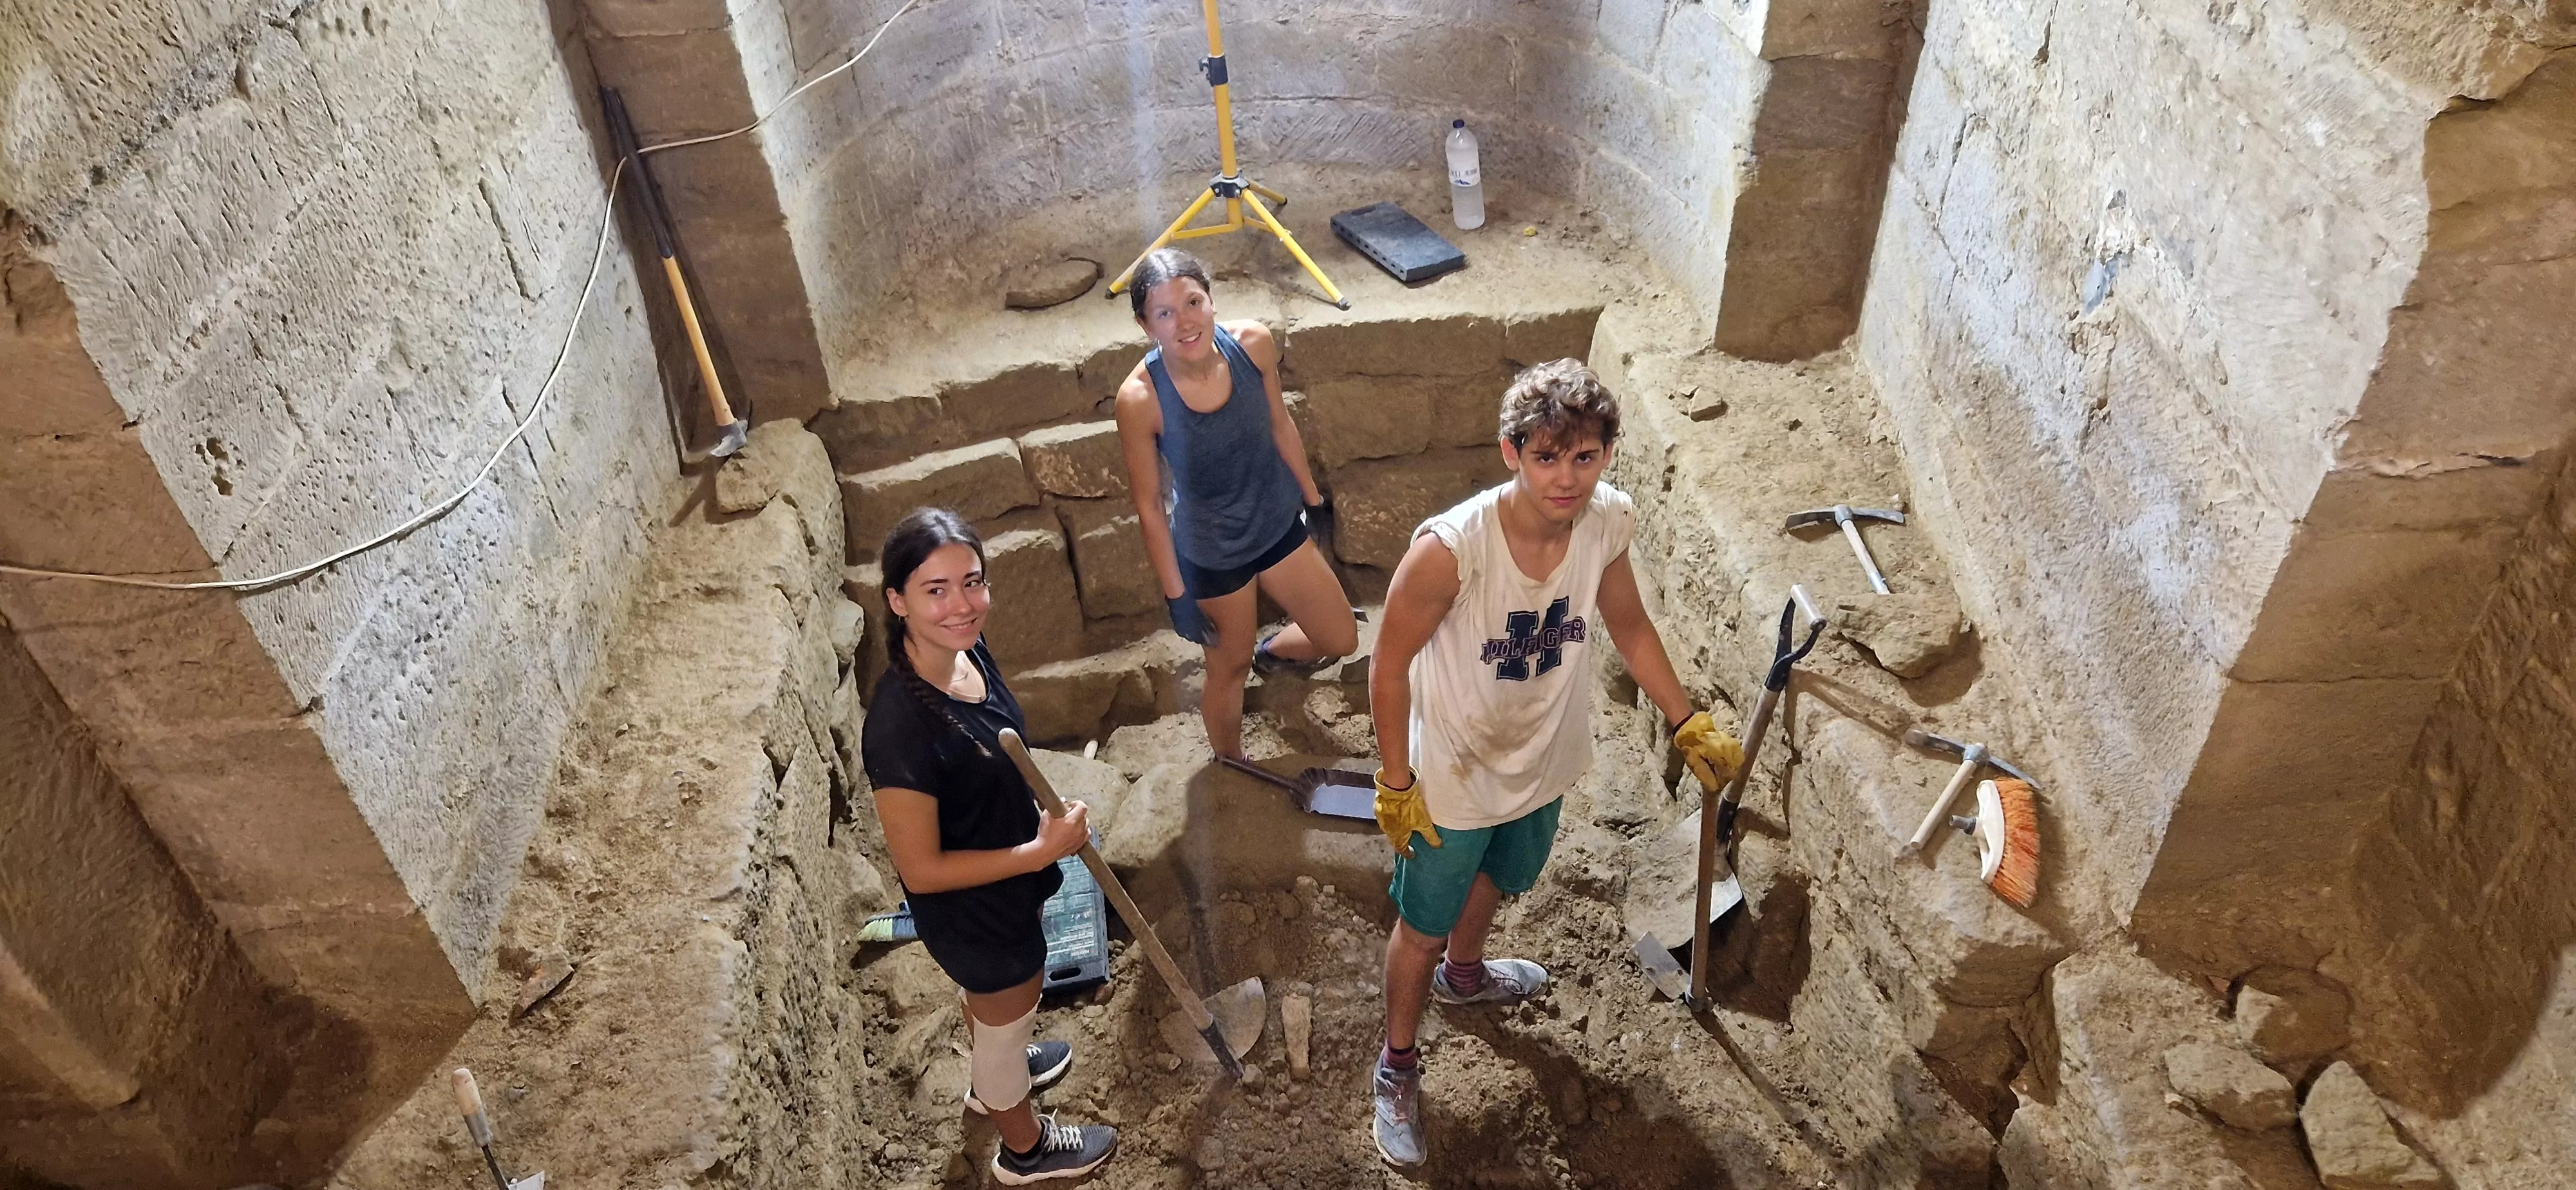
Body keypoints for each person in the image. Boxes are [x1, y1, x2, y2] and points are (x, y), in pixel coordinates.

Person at [1361, 360, 1745, 1167]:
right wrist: (1398, 782)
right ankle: (1397, 1065)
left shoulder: (1607, 523)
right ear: (1511, 453)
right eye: (1545, 457)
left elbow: (1631, 624)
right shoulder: (1451, 550)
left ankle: (1464, 979)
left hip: (1543, 758)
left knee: (1501, 879)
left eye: (1584, 456)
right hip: (1454, 779)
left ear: (1607, 454)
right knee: (1420, 928)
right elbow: (1387, 664)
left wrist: (1687, 720)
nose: (1565, 478)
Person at [860, 507, 1119, 1184]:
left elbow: (995, 759)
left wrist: (1035, 830)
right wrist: (1039, 853)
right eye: (936, 590)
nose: (963, 605)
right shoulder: (900, 729)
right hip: (975, 909)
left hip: (1010, 876)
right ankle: (1023, 1146)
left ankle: (991, 1076)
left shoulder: (965, 652)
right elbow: (919, 868)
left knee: (1003, 1010)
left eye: (972, 582)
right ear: (897, 600)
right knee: (1009, 1011)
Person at [1114, 248, 1359, 762]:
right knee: (1228, 668)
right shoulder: (1141, 399)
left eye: (1193, 302)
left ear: (1211, 299)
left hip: (1274, 523)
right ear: (1145, 326)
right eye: (1164, 313)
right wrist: (1178, 594)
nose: (1184, 323)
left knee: (1340, 637)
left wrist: (1312, 500)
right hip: (1214, 553)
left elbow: (1279, 423)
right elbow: (1150, 506)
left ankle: (1273, 653)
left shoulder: (1253, 345)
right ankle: (1232, 763)